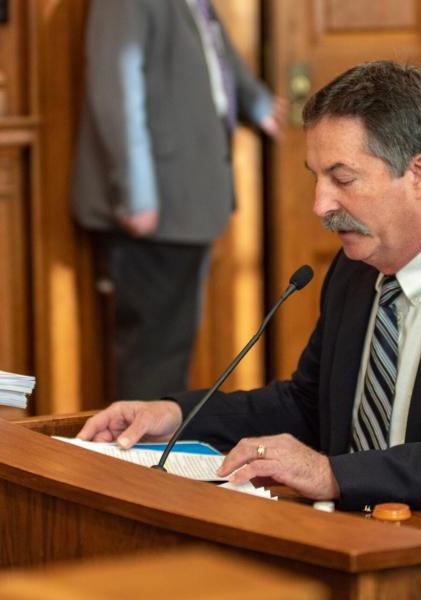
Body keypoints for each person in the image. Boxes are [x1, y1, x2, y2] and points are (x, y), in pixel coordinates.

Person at [77, 61, 421, 548]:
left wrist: (336, 474)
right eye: (316, 178)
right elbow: (309, 405)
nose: (320, 205)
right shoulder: (355, 270)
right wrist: (177, 415)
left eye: (343, 179)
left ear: (419, 173)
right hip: (370, 546)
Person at [72, 0, 282, 399]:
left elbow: (215, 51)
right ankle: (140, 461)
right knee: (153, 360)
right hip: (155, 209)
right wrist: (135, 197)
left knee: (173, 351)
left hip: (189, 202)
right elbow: (116, 90)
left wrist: (256, 102)